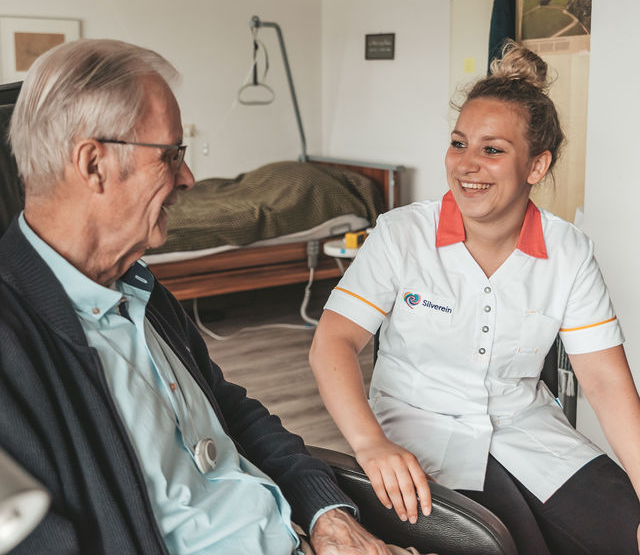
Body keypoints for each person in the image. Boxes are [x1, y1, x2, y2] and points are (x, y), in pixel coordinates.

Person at [0, 38, 422, 555]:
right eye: (172, 155)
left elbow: (228, 410)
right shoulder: (14, 344)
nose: (189, 179)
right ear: (93, 165)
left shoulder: (142, 291)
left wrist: (326, 512)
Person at [310, 42, 640, 554]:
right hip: (419, 431)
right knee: (508, 543)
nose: (467, 165)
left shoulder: (568, 251)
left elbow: (604, 379)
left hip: (528, 429)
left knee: (625, 532)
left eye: (492, 149)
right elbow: (332, 342)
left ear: (536, 166)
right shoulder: (402, 235)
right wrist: (370, 443)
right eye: (459, 143)